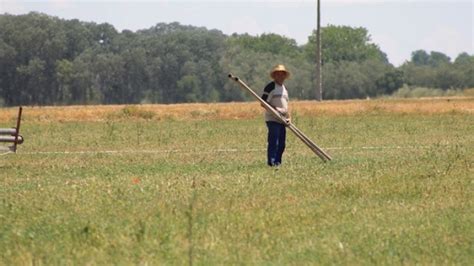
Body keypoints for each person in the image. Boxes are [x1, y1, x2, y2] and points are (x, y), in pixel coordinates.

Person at [261, 64, 291, 167]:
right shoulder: (270, 87)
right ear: (274, 76)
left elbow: (286, 105)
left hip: (283, 119)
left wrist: (288, 117)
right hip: (272, 119)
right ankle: (272, 162)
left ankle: (278, 162)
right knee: (274, 141)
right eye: (278, 74)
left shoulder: (284, 89)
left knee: (282, 144)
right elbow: (263, 102)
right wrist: (275, 110)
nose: (280, 76)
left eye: (282, 74)